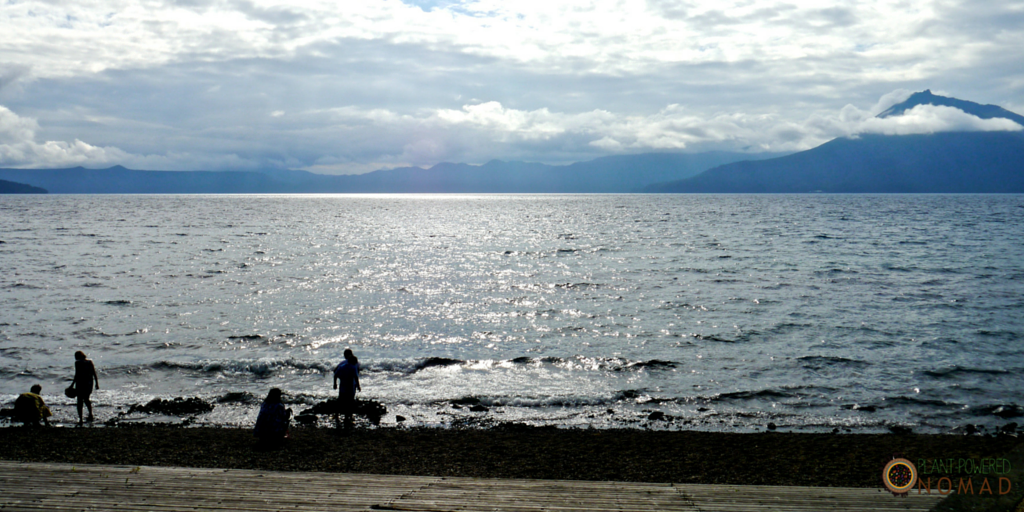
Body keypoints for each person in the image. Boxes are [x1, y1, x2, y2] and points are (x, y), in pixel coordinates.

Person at [332, 348, 361, 426]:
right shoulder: (355, 364)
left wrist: (338, 381)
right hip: (352, 386)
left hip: (343, 385)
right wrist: (358, 385)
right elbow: (356, 375)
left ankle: (337, 415)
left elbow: (335, 371)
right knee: (350, 401)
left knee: (340, 400)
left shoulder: (343, 364)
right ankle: (348, 416)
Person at [72, 351, 99, 424]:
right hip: (89, 383)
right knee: (86, 399)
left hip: (80, 383)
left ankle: (80, 418)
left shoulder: (77, 363)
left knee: (79, 401)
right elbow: (94, 373)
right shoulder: (89, 362)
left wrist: (72, 385)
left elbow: (77, 375)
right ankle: (90, 414)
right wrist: (97, 383)